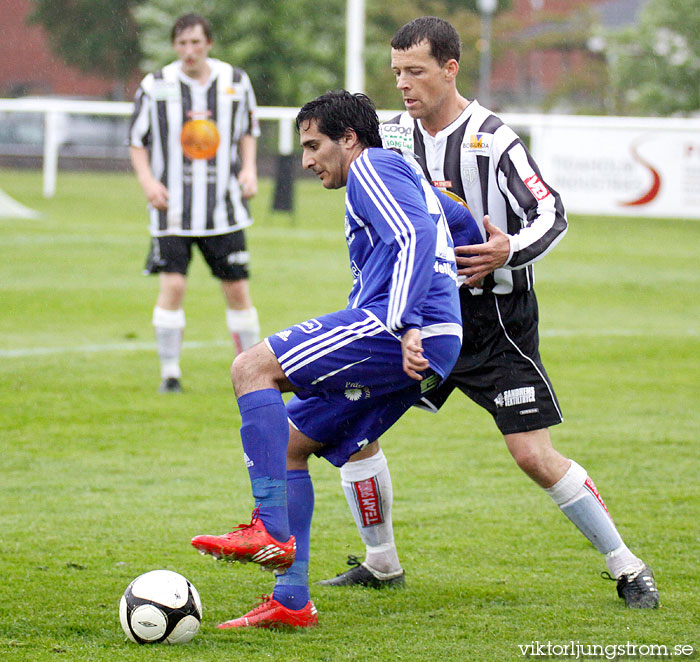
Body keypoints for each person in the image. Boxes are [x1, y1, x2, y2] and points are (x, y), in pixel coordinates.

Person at [318, 16, 659, 610]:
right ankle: (381, 562)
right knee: (354, 429)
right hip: (420, 317)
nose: (403, 84)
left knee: (532, 454)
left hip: (494, 320)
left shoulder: (491, 138)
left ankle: (628, 567)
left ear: (450, 69)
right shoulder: (391, 139)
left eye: (416, 71)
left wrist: (509, 249)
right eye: (397, 72)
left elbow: (551, 213)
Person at [191, 90, 482, 629]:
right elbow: (455, 223)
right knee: (290, 445)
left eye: (313, 145)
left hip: (396, 330)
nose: (306, 161)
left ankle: (269, 527)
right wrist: (473, 261)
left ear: (348, 139)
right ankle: (291, 600)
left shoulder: (372, 164)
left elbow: (415, 233)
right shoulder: (405, 175)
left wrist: (409, 320)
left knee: (250, 367)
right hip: (431, 339)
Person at [129, 13, 260, 393]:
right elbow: (137, 140)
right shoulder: (156, 85)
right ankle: (170, 373)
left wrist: (249, 169)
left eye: (196, 43)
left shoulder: (235, 82)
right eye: (182, 43)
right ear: (174, 46)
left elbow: (249, 131)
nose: (189, 51)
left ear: (209, 44)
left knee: (237, 290)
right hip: (173, 209)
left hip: (224, 207)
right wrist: (148, 181)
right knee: (173, 286)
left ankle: (253, 373)